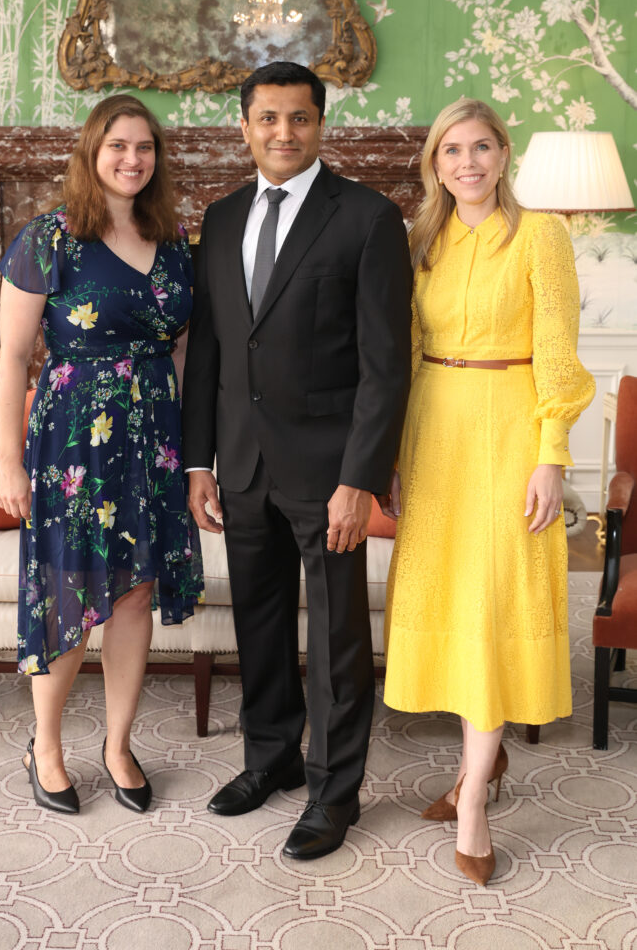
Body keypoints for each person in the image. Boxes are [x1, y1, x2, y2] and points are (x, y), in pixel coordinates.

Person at [182, 61, 412, 859]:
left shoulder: (368, 217)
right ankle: (270, 759)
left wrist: (359, 479)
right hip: (241, 465)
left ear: (321, 124)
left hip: (328, 472)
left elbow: (386, 366)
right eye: (268, 118)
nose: (284, 132)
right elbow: (210, 350)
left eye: (299, 118)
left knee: (339, 640)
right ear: (244, 126)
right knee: (260, 621)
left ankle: (332, 792)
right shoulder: (220, 218)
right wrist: (199, 462)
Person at [382, 98, 595, 885]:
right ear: (434, 165)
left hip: (510, 431)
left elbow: (558, 353)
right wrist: (392, 455)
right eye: (451, 151)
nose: (466, 163)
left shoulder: (539, 234)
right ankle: (484, 759)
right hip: (433, 430)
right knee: (449, 599)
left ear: (503, 154)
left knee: (495, 602)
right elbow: (404, 352)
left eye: (480, 147)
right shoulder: (418, 241)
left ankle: (471, 797)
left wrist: (550, 456)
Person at [0, 94, 203, 815]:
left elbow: (181, 352)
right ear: (92, 151)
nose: (131, 159)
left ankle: (118, 745)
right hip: (72, 442)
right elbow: (12, 357)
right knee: (70, 586)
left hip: (153, 439)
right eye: (118, 145)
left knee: (135, 590)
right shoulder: (48, 238)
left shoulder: (173, 240)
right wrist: (8, 462)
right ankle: (47, 746)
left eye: (144, 147)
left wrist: (191, 453)